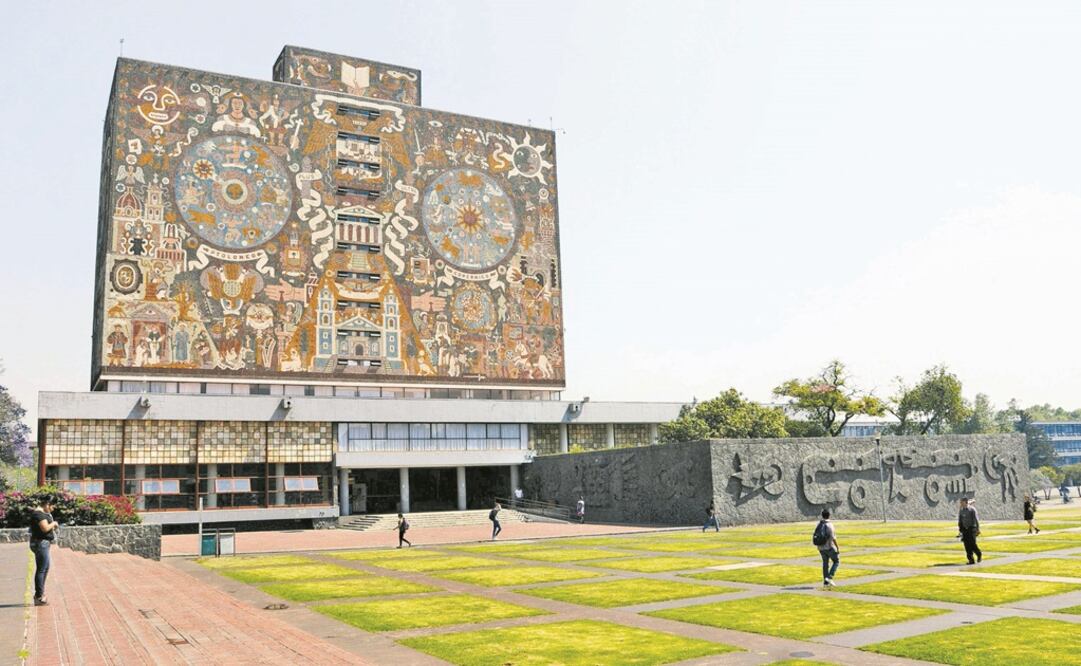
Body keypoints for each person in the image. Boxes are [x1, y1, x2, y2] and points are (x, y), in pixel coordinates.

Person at [29, 497, 59, 606]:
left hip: (43, 543)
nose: (53, 509)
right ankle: (39, 596)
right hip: (41, 543)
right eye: (52, 506)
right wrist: (54, 523)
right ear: (47, 504)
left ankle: (40, 594)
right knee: (42, 569)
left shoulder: (42, 514)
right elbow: (45, 528)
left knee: (45, 568)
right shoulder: (38, 514)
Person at [813, 508, 839, 588]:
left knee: (825, 564)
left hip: (820, 547)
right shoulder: (830, 525)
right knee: (836, 561)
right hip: (829, 547)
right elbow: (833, 537)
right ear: (829, 515)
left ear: (822, 515)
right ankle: (830, 577)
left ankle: (826, 582)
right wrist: (837, 547)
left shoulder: (819, 524)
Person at [958, 497, 982, 564]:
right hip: (964, 529)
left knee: (972, 544)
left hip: (972, 529)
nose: (961, 504)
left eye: (962, 502)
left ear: (966, 502)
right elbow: (960, 520)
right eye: (960, 502)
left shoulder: (972, 509)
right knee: (966, 545)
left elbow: (976, 520)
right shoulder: (961, 510)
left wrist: (978, 529)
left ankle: (979, 554)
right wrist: (960, 529)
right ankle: (971, 560)